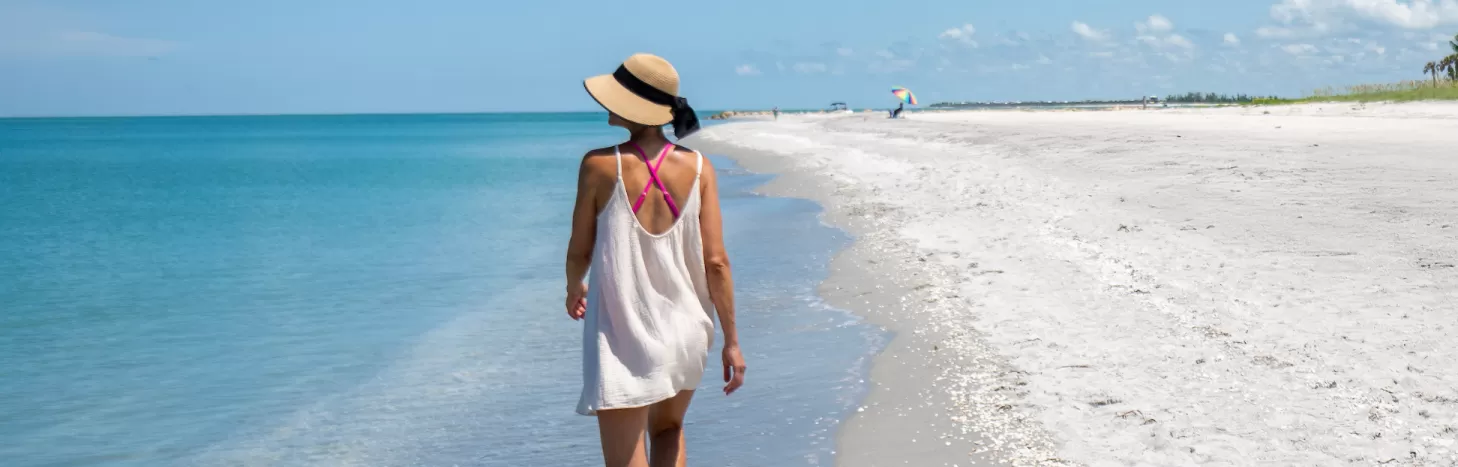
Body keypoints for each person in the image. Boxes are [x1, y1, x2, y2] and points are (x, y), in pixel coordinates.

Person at [568, 53, 747, 467]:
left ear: (631, 105)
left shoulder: (598, 165)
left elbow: (580, 249)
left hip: (624, 337)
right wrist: (732, 342)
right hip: (687, 331)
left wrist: (573, 286)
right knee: (668, 431)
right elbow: (717, 261)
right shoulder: (701, 168)